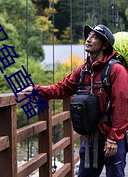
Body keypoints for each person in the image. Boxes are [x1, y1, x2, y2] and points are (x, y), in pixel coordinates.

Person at [22, 24, 128, 177]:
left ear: (105, 45)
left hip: (111, 140)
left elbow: (122, 106)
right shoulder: (83, 70)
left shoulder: (117, 71)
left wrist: (114, 139)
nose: (88, 39)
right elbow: (62, 88)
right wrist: (37, 90)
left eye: (94, 37)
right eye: (88, 35)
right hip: (91, 138)